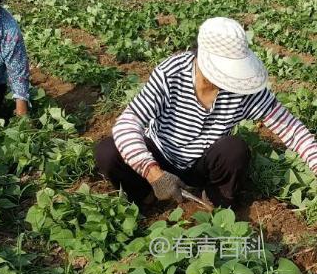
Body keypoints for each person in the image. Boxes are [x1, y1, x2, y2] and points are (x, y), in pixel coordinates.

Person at [95, 17, 317, 209]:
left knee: (234, 150)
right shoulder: (172, 73)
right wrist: (154, 173)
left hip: (201, 165)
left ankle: (214, 205)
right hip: (160, 155)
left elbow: (293, 130)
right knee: (107, 151)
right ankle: (145, 197)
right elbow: (127, 123)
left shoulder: (244, 89)